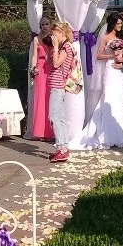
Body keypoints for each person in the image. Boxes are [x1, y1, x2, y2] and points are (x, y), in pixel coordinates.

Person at [69, 13, 123, 150]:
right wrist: (112, 55)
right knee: (109, 96)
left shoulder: (121, 37)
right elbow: (98, 55)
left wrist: (122, 59)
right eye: (118, 23)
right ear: (112, 24)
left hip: (119, 69)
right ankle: (107, 132)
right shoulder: (105, 37)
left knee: (121, 95)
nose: (120, 26)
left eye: (121, 23)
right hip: (109, 68)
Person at [45, 22, 77, 162]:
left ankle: (61, 149)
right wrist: (51, 48)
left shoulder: (66, 47)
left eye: (54, 34)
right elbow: (49, 62)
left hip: (58, 86)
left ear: (61, 33)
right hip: (56, 85)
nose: (53, 37)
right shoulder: (62, 47)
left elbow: (57, 63)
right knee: (60, 118)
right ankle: (63, 148)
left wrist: (56, 47)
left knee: (54, 117)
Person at [27, 18, 55, 141]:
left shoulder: (54, 37)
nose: (44, 26)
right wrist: (33, 69)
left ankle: (50, 132)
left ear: (51, 25)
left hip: (51, 67)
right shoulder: (36, 38)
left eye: (47, 24)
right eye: (42, 24)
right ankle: (41, 132)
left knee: (50, 99)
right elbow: (34, 56)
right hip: (40, 68)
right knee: (40, 99)